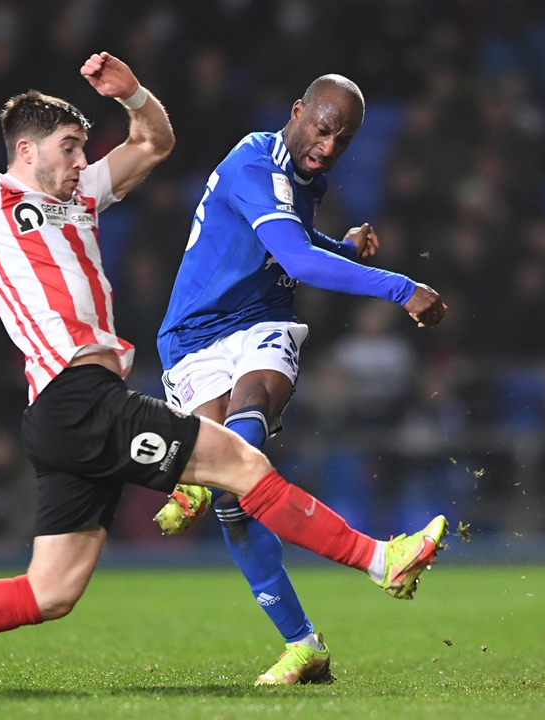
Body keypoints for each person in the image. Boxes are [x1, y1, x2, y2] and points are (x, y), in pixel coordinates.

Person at [0, 54, 447, 690]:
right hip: (77, 396)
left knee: (50, 592)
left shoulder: (82, 195)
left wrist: (132, 94)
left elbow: (154, 140)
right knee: (240, 462)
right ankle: (380, 559)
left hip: (64, 416)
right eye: (70, 148)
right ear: (27, 148)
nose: (81, 162)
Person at [154, 75, 447, 684]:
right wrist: (402, 287)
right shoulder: (252, 161)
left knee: (255, 398)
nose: (328, 144)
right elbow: (295, 258)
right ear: (297, 112)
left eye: (343, 137)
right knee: (234, 502)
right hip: (191, 336)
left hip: (260, 320)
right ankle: (304, 645)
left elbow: (286, 238)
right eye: (321, 126)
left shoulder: (297, 175)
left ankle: (202, 477)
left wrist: (335, 243)